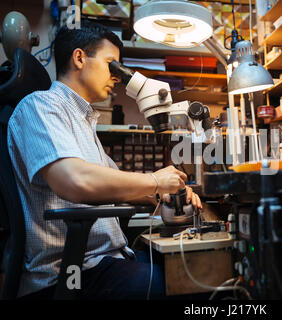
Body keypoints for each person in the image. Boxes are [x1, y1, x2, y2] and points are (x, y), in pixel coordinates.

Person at [7, 20, 202, 300]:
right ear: (79, 57)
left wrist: (168, 192)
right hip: (71, 275)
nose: (117, 77)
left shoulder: (84, 123)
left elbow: (115, 183)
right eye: (112, 65)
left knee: (186, 267)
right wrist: (155, 180)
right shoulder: (40, 106)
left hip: (106, 264)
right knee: (184, 286)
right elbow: (73, 181)